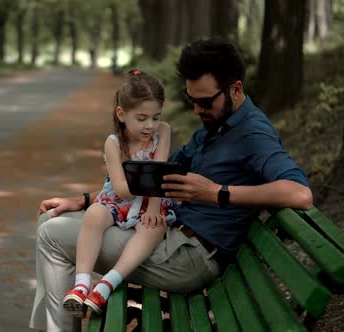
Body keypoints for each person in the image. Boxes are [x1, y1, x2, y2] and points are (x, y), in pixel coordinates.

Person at [29, 37, 313, 332]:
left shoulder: (254, 135)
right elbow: (148, 179)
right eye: (191, 100)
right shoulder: (214, 128)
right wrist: (83, 201)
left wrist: (217, 193)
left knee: (51, 234)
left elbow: (300, 194)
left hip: (188, 256)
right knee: (51, 219)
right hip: (172, 239)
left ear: (236, 89)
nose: (196, 110)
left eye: (204, 102)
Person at [62, 70, 176, 317]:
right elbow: (122, 190)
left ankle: (107, 284)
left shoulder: (163, 131)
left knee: (153, 229)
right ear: (121, 115)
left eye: (156, 117)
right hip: (118, 198)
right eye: (142, 118)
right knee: (93, 215)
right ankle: (81, 283)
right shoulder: (113, 143)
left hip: (152, 198)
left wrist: (154, 208)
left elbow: (159, 170)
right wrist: (145, 181)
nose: (150, 126)